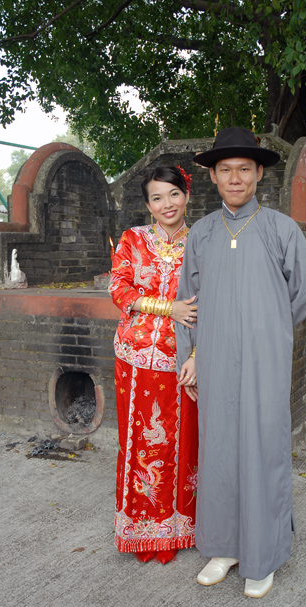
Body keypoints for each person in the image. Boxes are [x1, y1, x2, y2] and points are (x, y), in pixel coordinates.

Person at [175, 127, 306, 596]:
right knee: (219, 451)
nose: (234, 177)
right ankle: (225, 547)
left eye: (244, 168)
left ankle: (262, 555)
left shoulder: (280, 229)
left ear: (259, 173)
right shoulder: (200, 233)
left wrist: (269, 329)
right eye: (225, 170)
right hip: (214, 361)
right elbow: (187, 302)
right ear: (213, 177)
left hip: (264, 365)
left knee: (262, 450)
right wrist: (193, 356)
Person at [110, 165, 199, 565]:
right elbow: (119, 289)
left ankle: (182, 528)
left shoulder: (201, 241)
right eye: (157, 198)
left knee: (186, 443)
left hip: (183, 359)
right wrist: (169, 307)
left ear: (187, 196)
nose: (167, 204)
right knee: (139, 443)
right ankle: (143, 528)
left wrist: (198, 356)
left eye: (174, 194)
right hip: (135, 359)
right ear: (147, 204)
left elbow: (212, 299)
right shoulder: (132, 239)